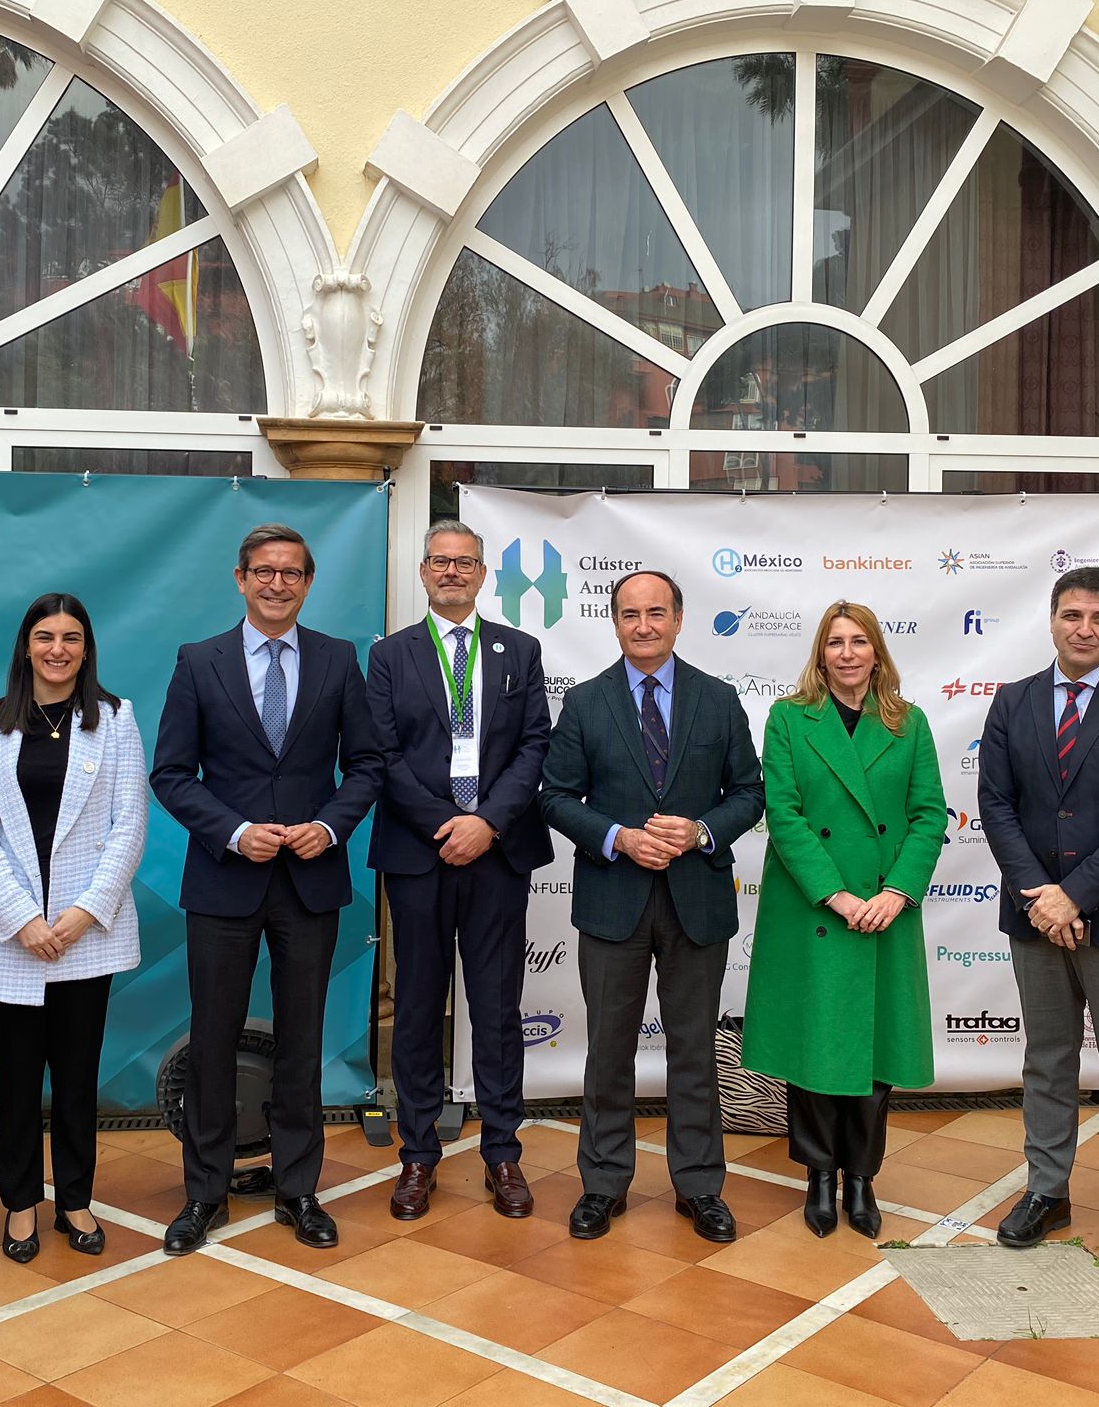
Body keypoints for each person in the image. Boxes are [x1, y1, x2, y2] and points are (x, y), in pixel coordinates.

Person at [150, 524, 383, 1255]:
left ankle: (299, 1188)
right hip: (224, 879)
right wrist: (232, 831)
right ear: (240, 579)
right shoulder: (199, 662)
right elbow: (171, 774)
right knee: (213, 1041)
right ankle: (204, 1193)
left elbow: (368, 766)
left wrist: (332, 825)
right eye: (264, 572)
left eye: (291, 573)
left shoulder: (339, 660)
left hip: (309, 880)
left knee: (303, 1040)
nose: (277, 584)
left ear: (308, 583)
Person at [538, 570, 763, 1244]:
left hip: (695, 900)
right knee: (608, 1050)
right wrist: (617, 837)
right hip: (614, 903)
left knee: (693, 1051)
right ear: (614, 623)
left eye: (656, 612)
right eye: (630, 614)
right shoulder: (585, 704)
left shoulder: (718, 701)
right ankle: (603, 1184)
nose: (643, 625)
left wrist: (699, 831)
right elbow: (554, 795)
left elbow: (749, 794)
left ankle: (700, 1187)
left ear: (678, 618)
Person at [976, 568, 1099, 1277]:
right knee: (1048, 1059)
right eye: (1072, 615)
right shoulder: (1013, 701)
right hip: (1035, 914)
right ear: (1053, 619)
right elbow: (996, 805)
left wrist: (1076, 895)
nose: (1084, 628)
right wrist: (1041, 894)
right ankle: (1047, 1191)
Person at [0, 594, 146, 1262]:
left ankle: (76, 1199)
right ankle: (20, 1203)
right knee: (17, 1076)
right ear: (25, 646)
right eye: (44, 636)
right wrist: (23, 919)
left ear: (87, 649)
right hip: (12, 934)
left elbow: (129, 825)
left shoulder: (116, 720)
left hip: (87, 931)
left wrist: (86, 912)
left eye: (71, 637)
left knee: (79, 1075)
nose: (57, 648)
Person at [366, 519, 552, 1220]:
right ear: (423, 573)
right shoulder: (391, 656)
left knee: (498, 1011)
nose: (451, 572)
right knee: (416, 1008)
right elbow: (380, 753)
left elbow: (536, 744)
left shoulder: (518, 651)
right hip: (420, 854)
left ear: (482, 574)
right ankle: (418, 1155)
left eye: (464, 562)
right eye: (439, 562)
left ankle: (502, 1153)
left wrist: (487, 822)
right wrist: (443, 824)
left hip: (497, 853)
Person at [741, 601, 944, 1241]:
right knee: (815, 1050)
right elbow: (785, 813)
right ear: (820, 654)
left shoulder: (909, 724)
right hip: (815, 911)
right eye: (835, 643)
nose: (848, 654)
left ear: (878, 653)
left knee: (876, 1052)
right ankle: (820, 1175)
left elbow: (928, 815)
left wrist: (897, 893)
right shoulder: (788, 718)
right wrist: (837, 896)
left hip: (886, 911)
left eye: (860, 642)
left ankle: (862, 1176)